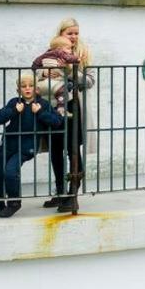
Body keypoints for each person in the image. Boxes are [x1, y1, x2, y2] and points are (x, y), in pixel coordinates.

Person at [33, 17, 93, 214]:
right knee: (56, 149)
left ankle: (72, 194)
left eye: (76, 33)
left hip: (74, 106)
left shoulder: (83, 54)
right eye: (70, 33)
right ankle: (60, 192)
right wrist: (45, 74)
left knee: (73, 148)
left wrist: (70, 71)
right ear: (61, 34)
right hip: (53, 107)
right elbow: (37, 73)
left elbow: (90, 81)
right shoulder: (52, 52)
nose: (74, 36)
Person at [0, 74, 63, 218]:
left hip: (27, 146)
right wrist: (13, 111)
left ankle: (13, 202)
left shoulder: (43, 104)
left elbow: (57, 121)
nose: (27, 88)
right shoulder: (14, 103)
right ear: (19, 90)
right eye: (24, 86)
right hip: (8, 144)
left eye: (30, 86)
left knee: (10, 171)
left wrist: (40, 112)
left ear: (36, 88)